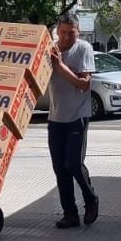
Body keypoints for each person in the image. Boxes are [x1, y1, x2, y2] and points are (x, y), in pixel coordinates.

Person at [47, 14, 98, 229]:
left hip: (78, 116)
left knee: (74, 164)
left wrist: (60, 66)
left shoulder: (83, 49)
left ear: (78, 31)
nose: (67, 36)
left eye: (72, 32)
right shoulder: (49, 49)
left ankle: (91, 199)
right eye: (63, 32)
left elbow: (84, 84)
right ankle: (70, 214)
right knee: (60, 168)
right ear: (57, 31)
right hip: (55, 117)